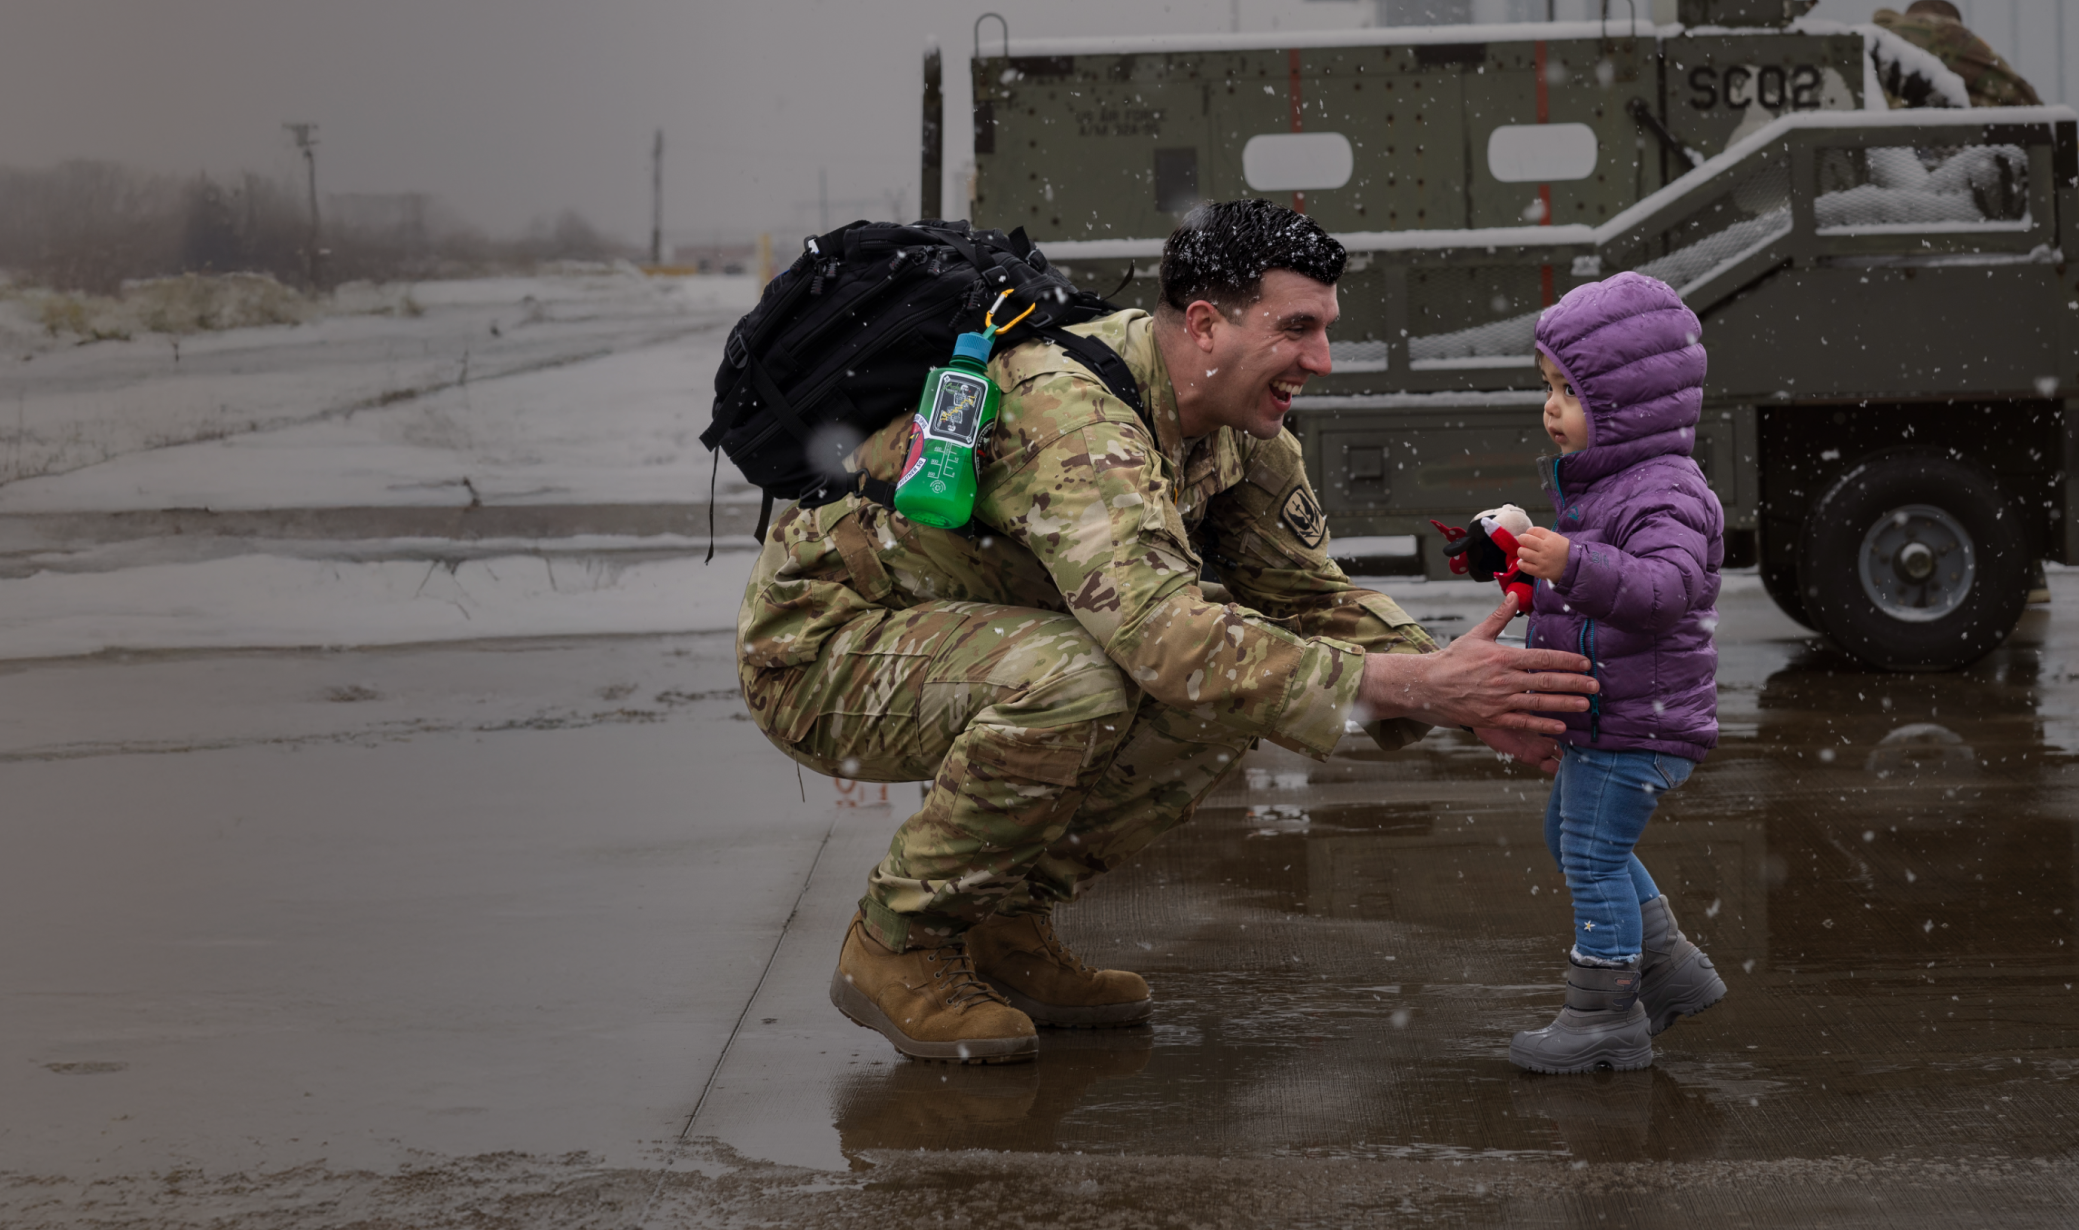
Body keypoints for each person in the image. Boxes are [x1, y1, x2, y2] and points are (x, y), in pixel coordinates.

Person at [733, 199, 1601, 1065]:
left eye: (1327, 329)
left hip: (964, 632)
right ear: (1204, 324)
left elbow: (1304, 598)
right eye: (1297, 329)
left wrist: (1460, 687)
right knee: (1085, 679)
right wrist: (1416, 690)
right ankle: (899, 942)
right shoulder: (1070, 414)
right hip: (823, 647)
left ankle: (1000, 922)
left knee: (1236, 679)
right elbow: (1164, 638)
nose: (1322, 361)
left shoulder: (1244, 429)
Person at [1504, 271, 1727, 1074]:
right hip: (1613, 713)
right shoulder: (1609, 487)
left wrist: (1575, 562)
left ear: (1629, 406)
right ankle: (1670, 969)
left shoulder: (1665, 492)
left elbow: (1663, 592)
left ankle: (1604, 1013)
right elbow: (1595, 592)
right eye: (1547, 386)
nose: (1550, 408)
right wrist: (1538, 566)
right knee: (1570, 840)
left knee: (1592, 854)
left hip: (1642, 720)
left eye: (1569, 390)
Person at [1873, 2, 2041, 108]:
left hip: (1875, 147)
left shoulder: (1876, 39)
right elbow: (2017, 92)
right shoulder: (1945, 30)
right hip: (1930, 147)